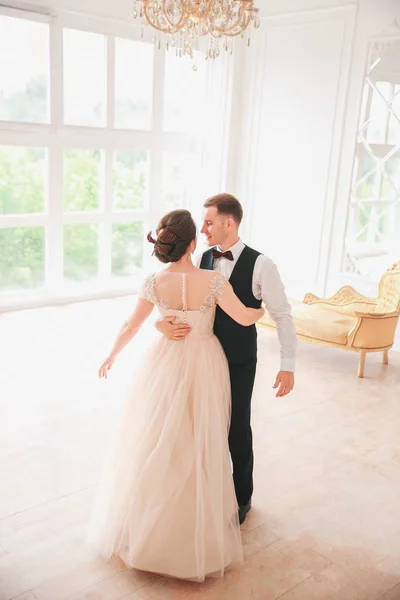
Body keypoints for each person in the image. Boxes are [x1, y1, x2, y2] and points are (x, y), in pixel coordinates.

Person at [89, 209, 265, 582]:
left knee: (158, 436)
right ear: (192, 244)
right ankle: (192, 524)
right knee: (199, 439)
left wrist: (112, 354)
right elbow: (245, 318)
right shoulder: (213, 281)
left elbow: (130, 324)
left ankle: (147, 524)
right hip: (205, 360)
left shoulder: (154, 281)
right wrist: (263, 306)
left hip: (165, 362)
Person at [156, 194, 297, 525]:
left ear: (228, 223)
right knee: (198, 426)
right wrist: (161, 324)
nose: (202, 228)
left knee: (235, 427)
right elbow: (179, 305)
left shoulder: (263, 265)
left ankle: (241, 496)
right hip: (197, 359)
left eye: (208, 222)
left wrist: (287, 365)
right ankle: (201, 492)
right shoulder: (201, 259)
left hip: (237, 361)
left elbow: (283, 316)